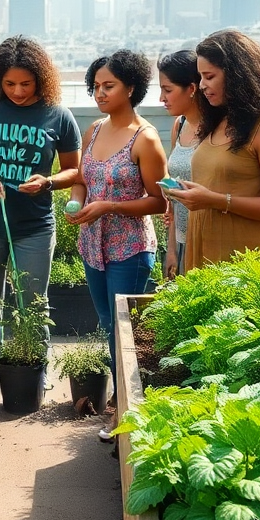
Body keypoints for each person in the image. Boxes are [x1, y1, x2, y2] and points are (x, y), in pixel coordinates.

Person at [0, 36, 82, 406]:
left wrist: (48, 182)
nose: (18, 91)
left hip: (35, 226)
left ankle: (34, 365)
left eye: (26, 83)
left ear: (41, 79)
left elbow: (74, 171)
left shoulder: (58, 114)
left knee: (33, 302)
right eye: (9, 84)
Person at [69, 51, 168, 439]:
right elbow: (81, 177)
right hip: (93, 245)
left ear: (131, 87)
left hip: (130, 249)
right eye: (95, 86)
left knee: (122, 332)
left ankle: (123, 412)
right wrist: (77, 202)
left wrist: (109, 205)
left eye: (108, 86)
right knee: (108, 324)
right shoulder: (93, 130)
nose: (100, 93)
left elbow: (159, 202)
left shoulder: (146, 138)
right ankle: (121, 406)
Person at [163, 30, 260, 271]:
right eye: (200, 77)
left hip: (250, 258)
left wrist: (214, 200)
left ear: (237, 75)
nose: (202, 86)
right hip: (207, 251)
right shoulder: (217, 120)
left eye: (209, 76)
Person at [157, 50, 206, 279]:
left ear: (192, 88)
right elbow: (175, 202)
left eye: (167, 90)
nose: (161, 98)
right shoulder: (180, 125)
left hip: (207, 243)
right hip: (181, 240)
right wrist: (172, 250)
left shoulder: (216, 132)